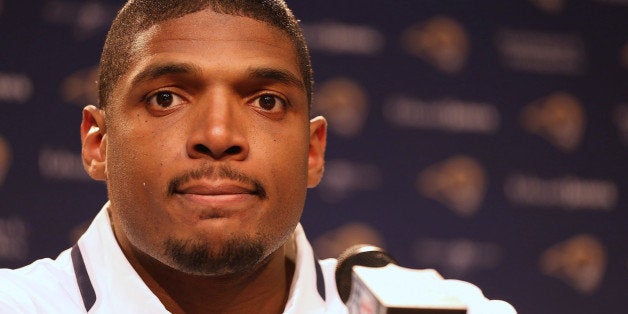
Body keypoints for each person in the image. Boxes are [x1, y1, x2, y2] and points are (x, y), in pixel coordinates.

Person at [0, 1, 516, 313]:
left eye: (266, 101)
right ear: (98, 143)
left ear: (314, 152)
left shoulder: (449, 313)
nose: (219, 134)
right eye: (166, 98)